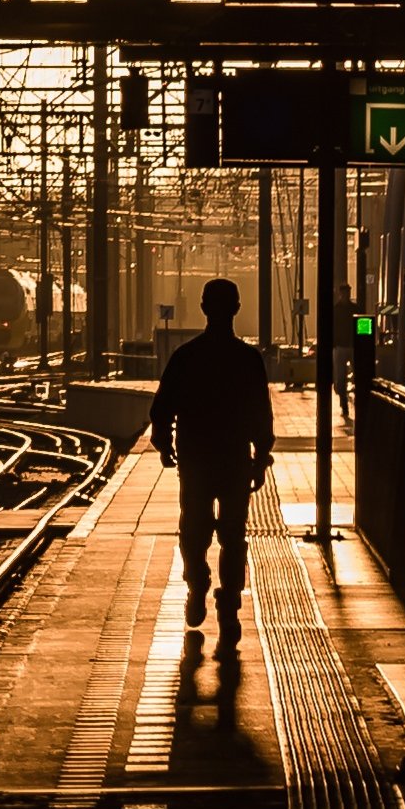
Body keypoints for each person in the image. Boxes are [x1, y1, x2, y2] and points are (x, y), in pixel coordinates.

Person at [147, 275, 275, 652]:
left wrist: (164, 443)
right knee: (234, 536)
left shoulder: (186, 357)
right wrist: (260, 457)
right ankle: (230, 606)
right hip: (234, 459)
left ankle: (197, 581)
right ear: (237, 309)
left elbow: (162, 407)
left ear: (203, 308)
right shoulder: (248, 359)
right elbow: (261, 414)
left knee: (194, 528)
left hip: (196, 458)